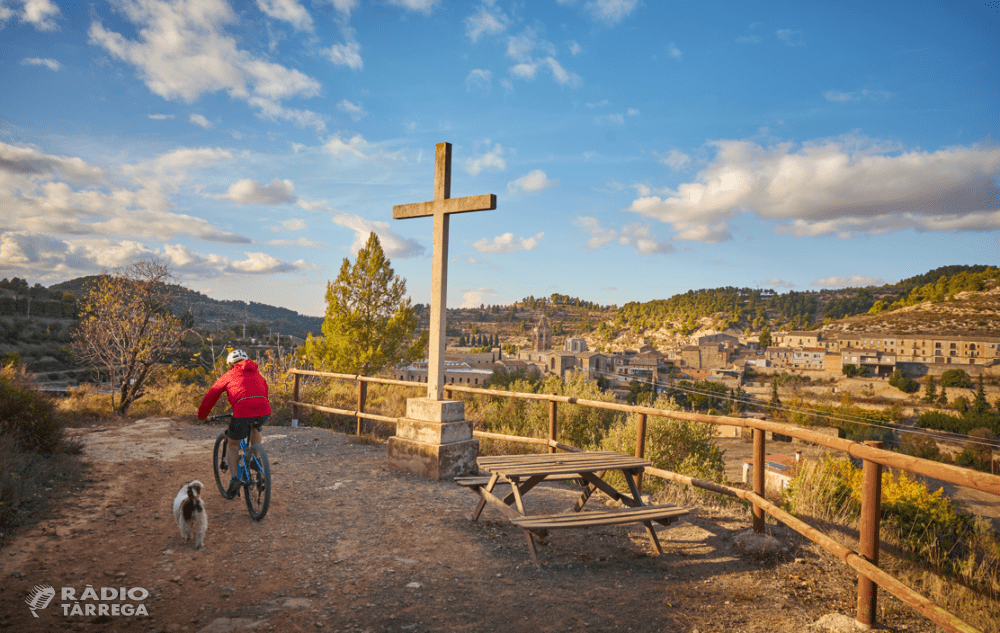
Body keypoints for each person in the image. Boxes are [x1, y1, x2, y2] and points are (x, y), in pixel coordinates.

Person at [198, 349, 271, 496]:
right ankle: (256, 460)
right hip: (264, 409)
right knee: (255, 427)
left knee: (232, 444)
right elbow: (264, 391)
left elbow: (212, 395)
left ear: (231, 365)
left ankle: (235, 479)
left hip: (242, 411)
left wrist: (202, 415)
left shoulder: (229, 375)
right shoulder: (258, 374)